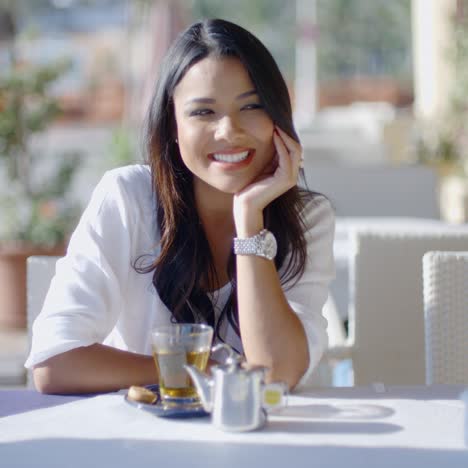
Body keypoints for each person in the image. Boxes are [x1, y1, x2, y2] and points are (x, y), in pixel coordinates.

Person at [26, 18, 335, 394]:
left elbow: (274, 374)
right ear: (172, 125)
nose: (229, 131)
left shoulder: (307, 219)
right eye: (204, 112)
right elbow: (55, 363)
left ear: (278, 116)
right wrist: (193, 371)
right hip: (143, 441)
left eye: (252, 105)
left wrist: (250, 221)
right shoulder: (128, 197)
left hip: (263, 443)